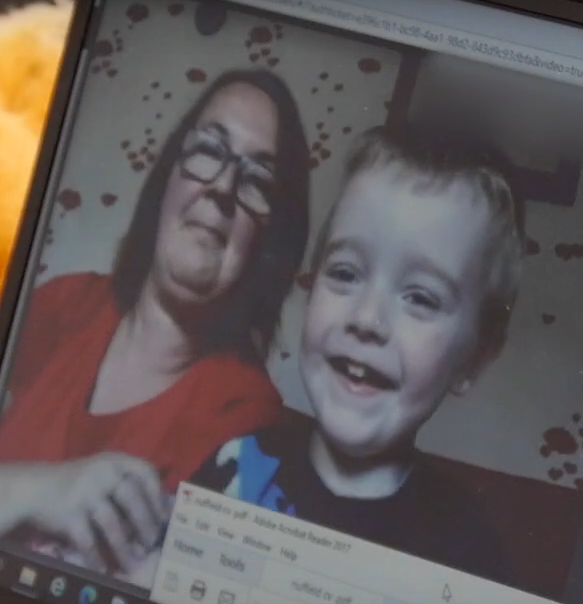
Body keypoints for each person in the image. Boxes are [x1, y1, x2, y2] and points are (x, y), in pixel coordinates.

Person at [0, 69, 313, 579]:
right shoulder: (64, 304)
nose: (222, 186)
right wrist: (39, 489)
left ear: (269, 243)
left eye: (258, 181)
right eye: (208, 152)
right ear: (167, 179)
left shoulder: (247, 418)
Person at [188, 123, 524, 580]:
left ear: (474, 359)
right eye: (345, 273)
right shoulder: (238, 467)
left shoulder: (465, 551)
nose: (366, 319)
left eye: (421, 298)